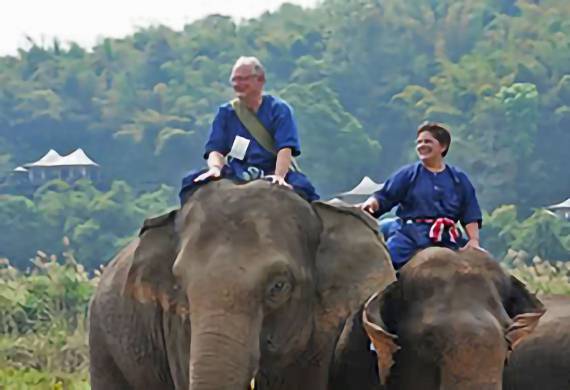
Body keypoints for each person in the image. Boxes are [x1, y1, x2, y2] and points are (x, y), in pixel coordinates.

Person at [179, 56, 319, 203]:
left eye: (243, 79)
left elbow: (285, 148)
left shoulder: (279, 110)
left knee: (305, 190)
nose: (238, 84)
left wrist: (279, 176)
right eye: (234, 80)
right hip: (237, 172)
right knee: (190, 182)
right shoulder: (226, 112)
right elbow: (215, 149)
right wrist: (215, 167)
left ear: (260, 80)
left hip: (272, 170)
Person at [361, 122, 483, 269]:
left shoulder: (458, 178)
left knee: (486, 269)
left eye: (427, 141)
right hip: (409, 236)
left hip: (448, 238)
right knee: (384, 266)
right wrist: (373, 202)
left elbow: (470, 211)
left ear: (442, 147)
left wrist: (474, 240)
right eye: (419, 142)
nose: (421, 145)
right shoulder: (407, 174)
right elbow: (384, 197)